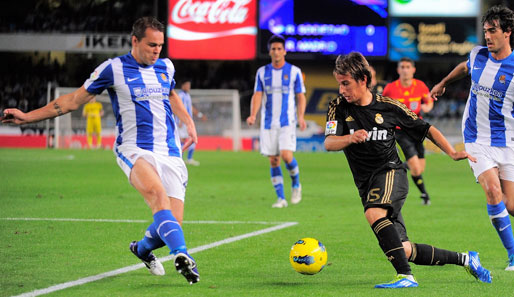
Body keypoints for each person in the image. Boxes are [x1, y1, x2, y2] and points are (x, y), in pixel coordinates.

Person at [1, 17, 200, 285]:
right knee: (157, 196)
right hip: (134, 149)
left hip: (170, 151)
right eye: (151, 45)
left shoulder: (166, 66)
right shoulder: (112, 69)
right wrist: (27, 117)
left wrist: (188, 122)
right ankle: (183, 255)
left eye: (160, 46)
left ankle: (141, 249)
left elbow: (171, 94)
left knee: (173, 222)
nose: (157, 51)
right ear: (135, 41)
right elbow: (72, 101)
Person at [325, 52, 491, 288]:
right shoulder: (338, 107)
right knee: (403, 248)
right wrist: (349, 139)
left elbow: (426, 129)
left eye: (345, 83)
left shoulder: (388, 107)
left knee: (374, 213)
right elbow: (329, 142)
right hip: (366, 183)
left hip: (391, 172)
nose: (341, 90)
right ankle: (466, 259)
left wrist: (452, 152)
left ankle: (406, 276)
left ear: (362, 79)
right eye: (339, 83)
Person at [430, 5, 514, 271]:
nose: (487, 36)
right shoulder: (478, 54)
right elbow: (464, 68)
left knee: (510, 204)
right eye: (486, 31)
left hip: (507, 141)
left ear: (508, 32)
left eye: (493, 31)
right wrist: (443, 83)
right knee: (492, 191)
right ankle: (513, 256)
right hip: (476, 138)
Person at [246, 34, 307, 208]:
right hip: (268, 124)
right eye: (273, 49)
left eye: (279, 48)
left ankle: (296, 184)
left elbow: (300, 96)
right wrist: (253, 115)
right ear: (269, 51)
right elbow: (257, 94)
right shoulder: (262, 72)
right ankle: (281, 198)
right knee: (274, 160)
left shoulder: (294, 71)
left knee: (287, 155)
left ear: (284, 51)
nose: (276, 51)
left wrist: (300, 117)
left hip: (287, 122)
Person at [382, 57, 434, 205]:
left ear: (413, 70)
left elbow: (429, 101)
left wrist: (427, 107)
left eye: (408, 67)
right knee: (416, 169)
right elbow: (382, 105)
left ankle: (397, 166)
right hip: (400, 132)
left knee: (419, 168)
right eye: (402, 67)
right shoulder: (390, 88)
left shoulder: (420, 86)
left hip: (417, 130)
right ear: (398, 70)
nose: (405, 70)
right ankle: (424, 194)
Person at [176, 79, 206, 166]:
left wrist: (200, 115)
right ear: (183, 85)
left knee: (191, 138)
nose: (189, 87)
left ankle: (187, 158)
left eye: (189, 85)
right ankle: (180, 159)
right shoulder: (180, 95)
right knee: (182, 140)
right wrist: (181, 120)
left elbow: (191, 108)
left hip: (188, 121)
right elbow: (179, 108)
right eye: (187, 85)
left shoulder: (187, 95)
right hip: (182, 121)